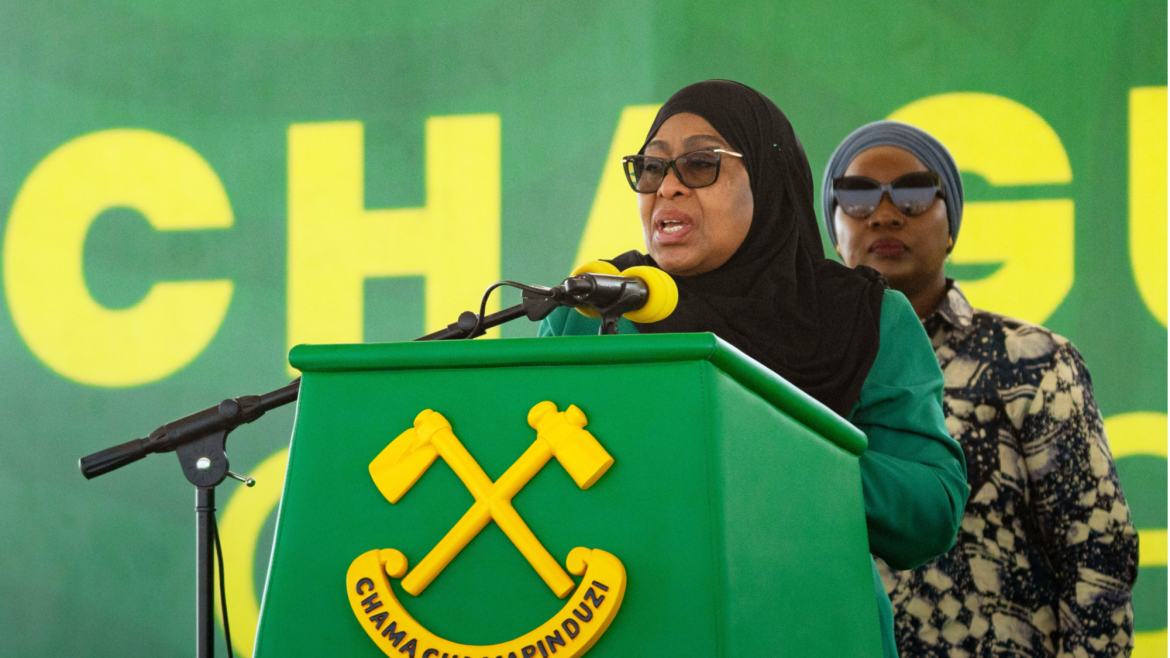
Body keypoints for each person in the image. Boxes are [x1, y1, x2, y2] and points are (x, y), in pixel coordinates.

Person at [539, 80, 969, 658]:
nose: (667, 186)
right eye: (652, 167)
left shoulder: (862, 318)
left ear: (767, 181)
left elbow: (930, 510)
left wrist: (776, 450)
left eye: (700, 164)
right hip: (623, 631)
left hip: (803, 631)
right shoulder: (595, 308)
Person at [822, 120, 1139, 657]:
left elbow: (1097, 553)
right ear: (833, 230)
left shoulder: (1031, 361)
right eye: (856, 196)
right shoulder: (800, 370)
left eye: (914, 193)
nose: (884, 214)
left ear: (952, 227)